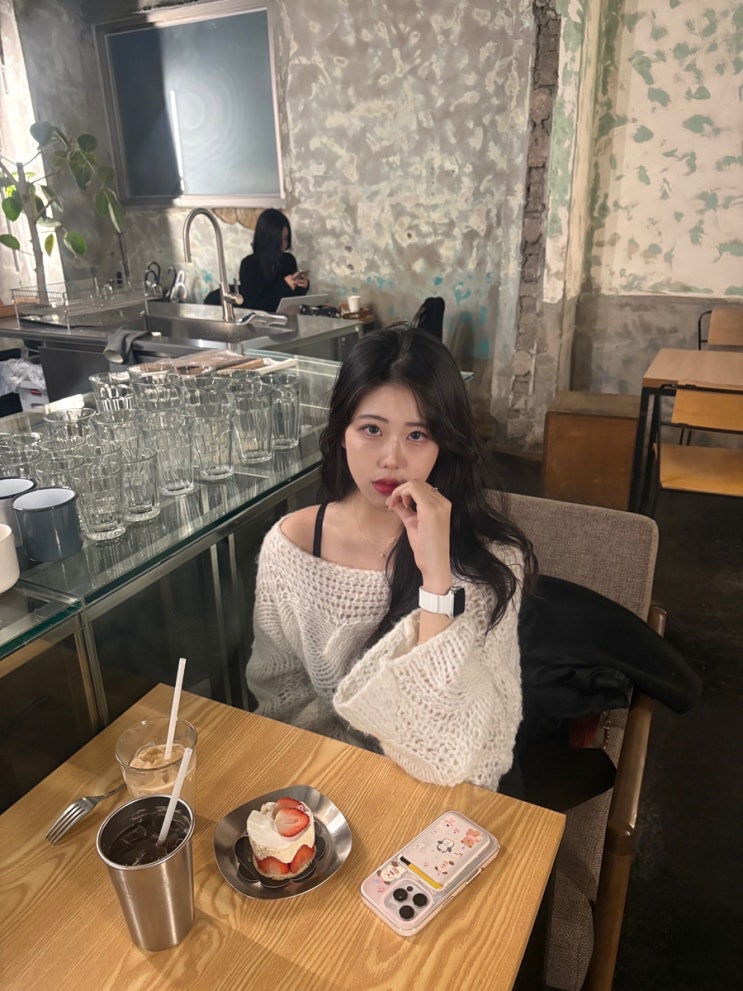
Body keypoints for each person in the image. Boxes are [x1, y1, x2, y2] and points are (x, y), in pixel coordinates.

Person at [247, 325, 536, 791]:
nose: (390, 458)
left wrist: (436, 580)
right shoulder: (292, 547)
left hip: (435, 796)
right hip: (325, 785)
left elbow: (463, 751)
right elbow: (280, 699)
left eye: (417, 434)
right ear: (342, 433)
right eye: (372, 429)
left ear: (444, 444)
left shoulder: (490, 563)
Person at [238, 208, 309, 312]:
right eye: (279, 239)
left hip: (287, 317)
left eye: (286, 238)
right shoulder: (249, 265)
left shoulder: (288, 260)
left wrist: (303, 285)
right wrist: (284, 286)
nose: (283, 244)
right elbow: (254, 305)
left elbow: (294, 300)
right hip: (261, 320)